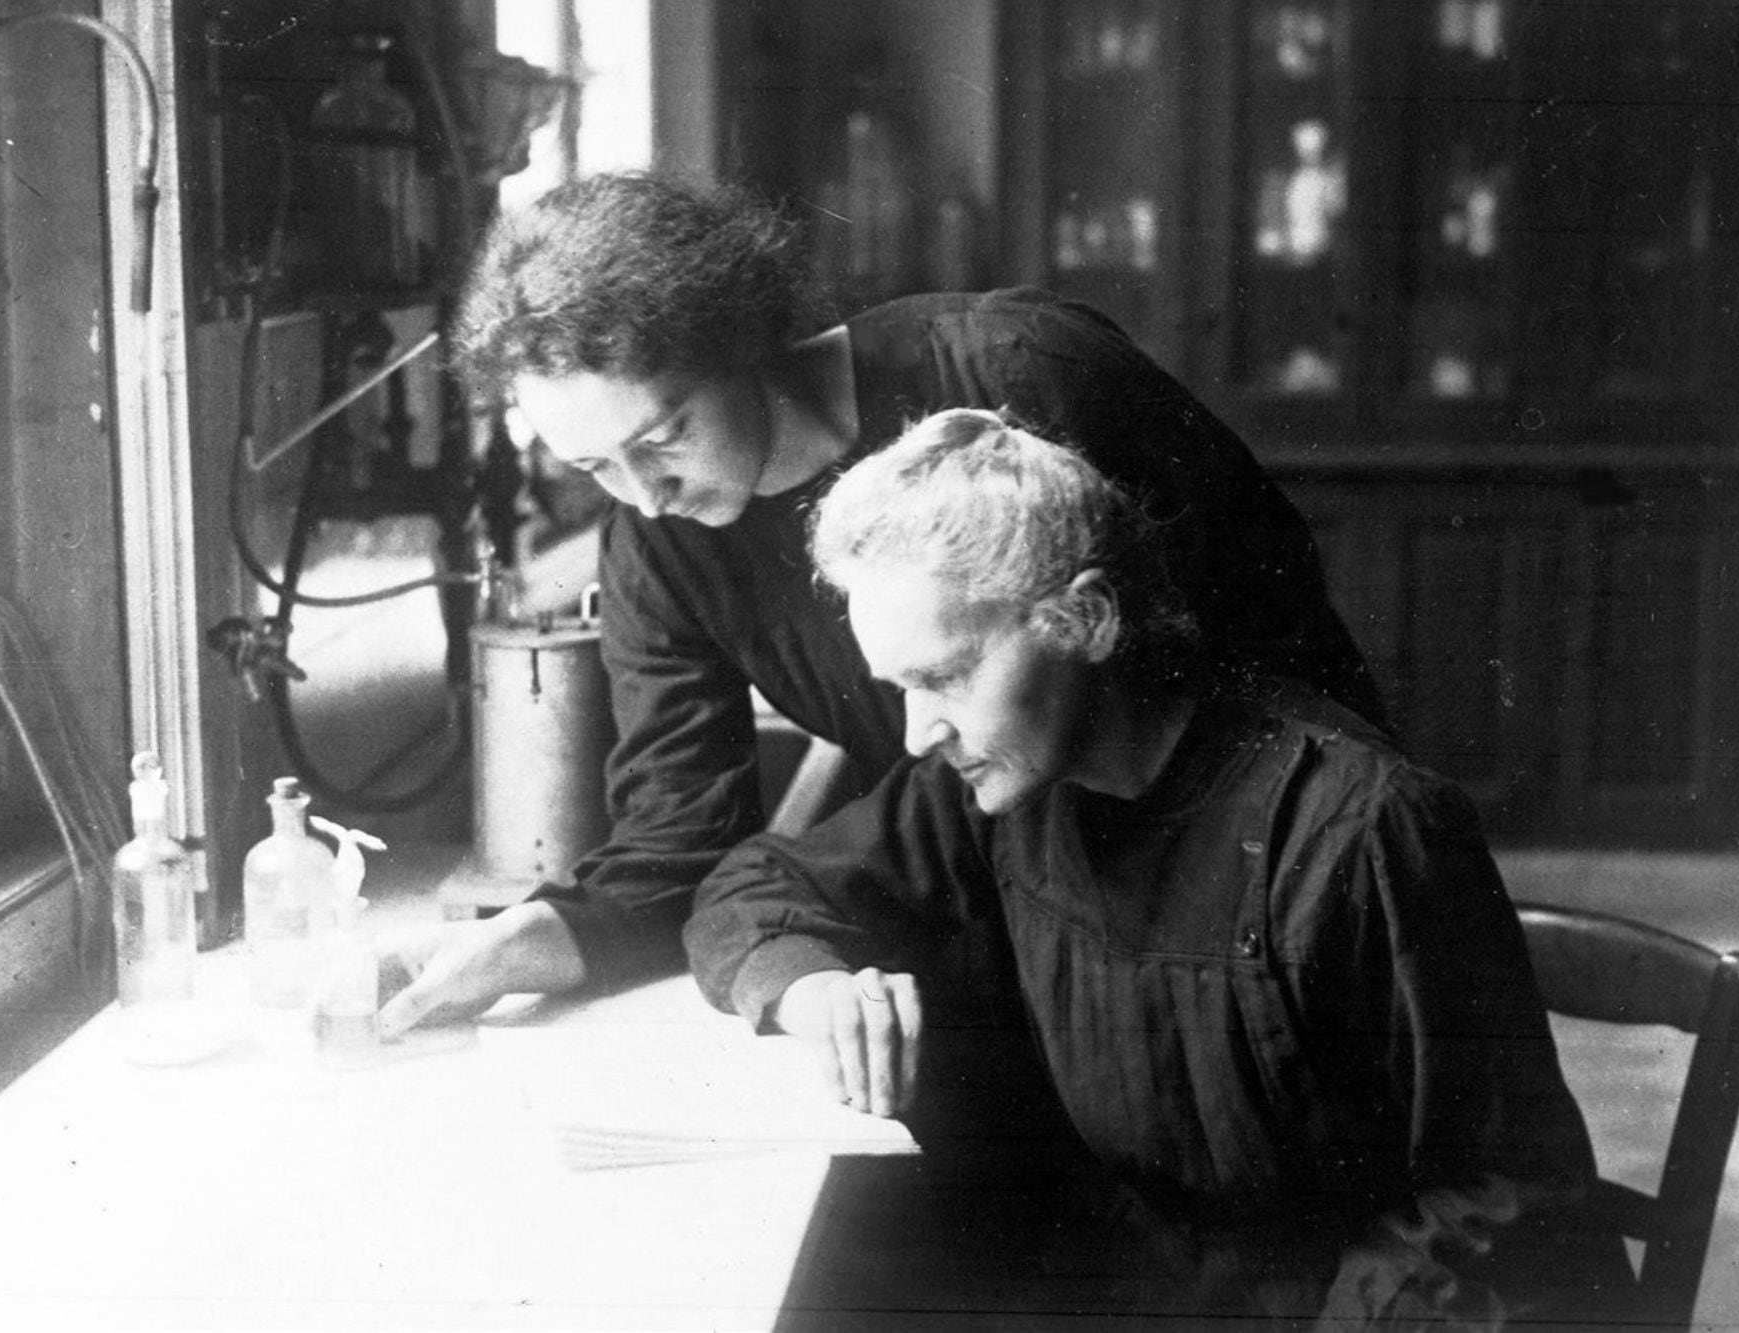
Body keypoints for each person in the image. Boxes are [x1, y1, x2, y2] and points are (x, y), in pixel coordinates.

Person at [682, 409, 1636, 1326]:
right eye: (900, 689)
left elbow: (1497, 1208)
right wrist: (808, 987)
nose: (918, 731)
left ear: (1086, 619)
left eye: (942, 677)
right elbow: (753, 886)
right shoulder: (993, 785)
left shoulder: (1361, 831)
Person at [376, 170, 1382, 1035]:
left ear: (737, 336)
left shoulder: (1022, 368)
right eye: (594, 465)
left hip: (1261, 865)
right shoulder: (658, 549)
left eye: (662, 435)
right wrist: (521, 942)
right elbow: (678, 842)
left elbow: (1273, 622)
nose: (645, 493)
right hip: (1020, 907)